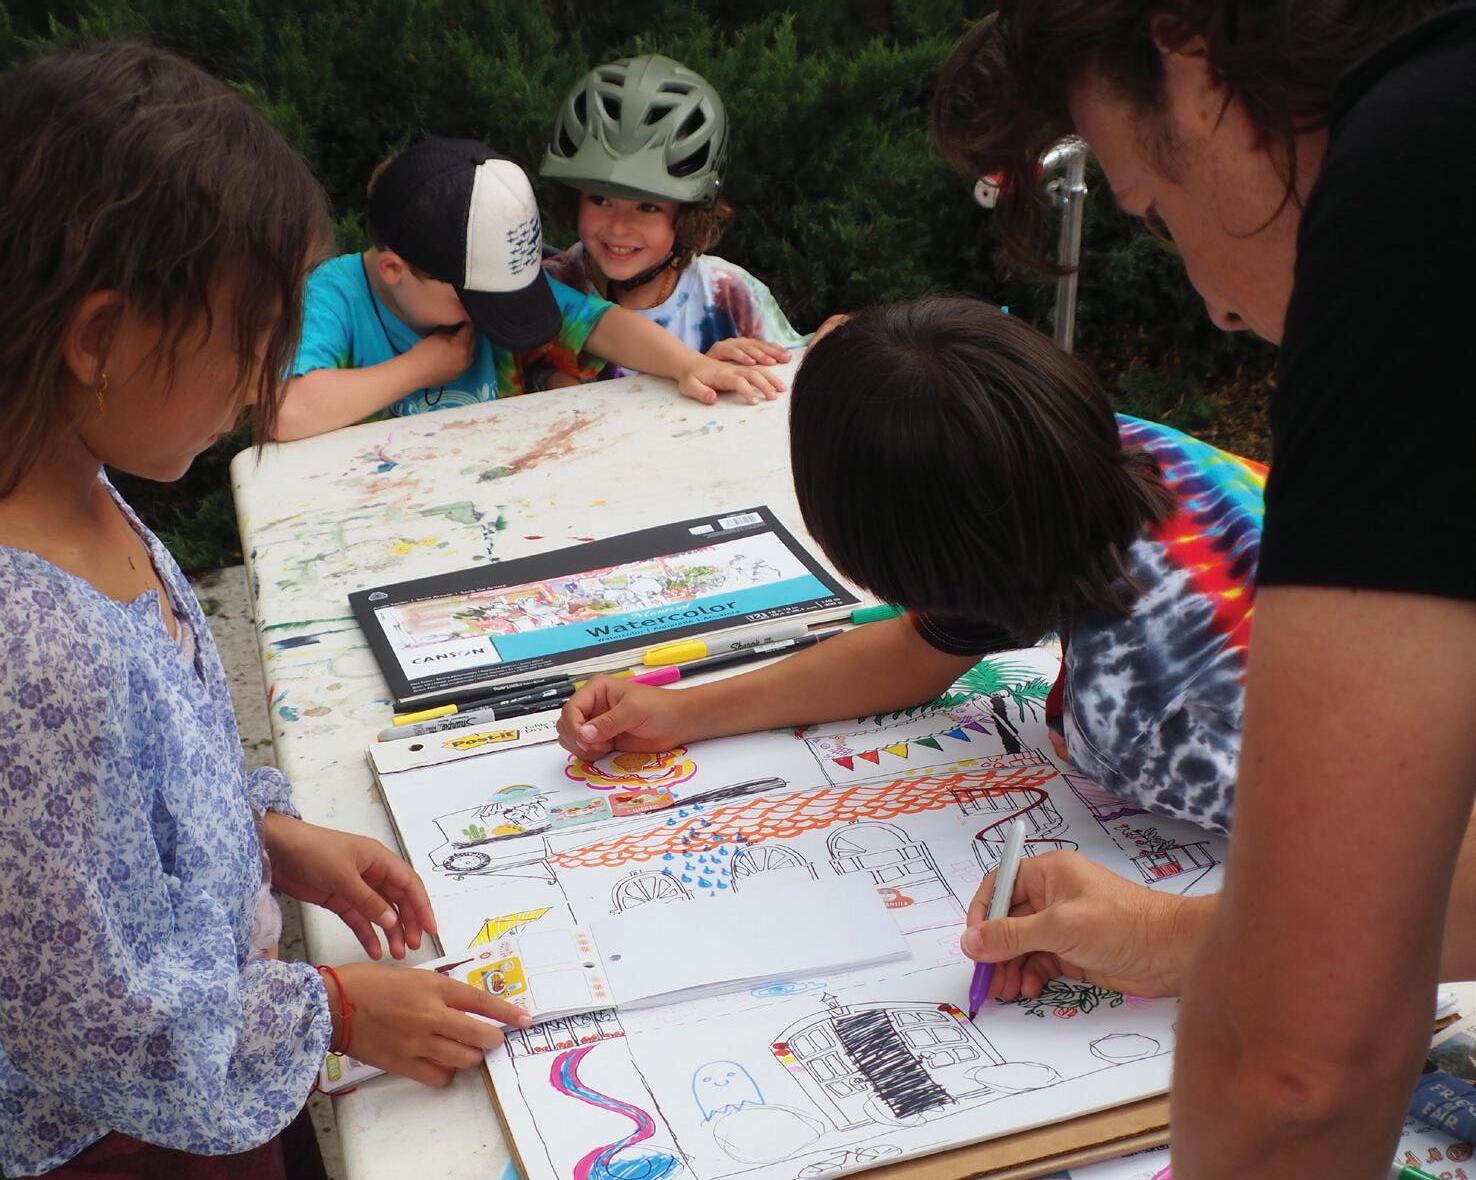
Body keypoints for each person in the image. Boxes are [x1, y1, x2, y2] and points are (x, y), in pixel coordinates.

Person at [931, 3, 1476, 1175]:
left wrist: (1249, 972)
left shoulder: (1418, 184)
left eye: (1154, 209)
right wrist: (1175, 932)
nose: (1215, 303)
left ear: (1190, 60)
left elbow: (1299, 1067)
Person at [0, 44, 530, 1178]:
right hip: (137, 1138)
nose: (258, 386)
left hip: (221, 1053)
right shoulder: (30, 648)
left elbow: (132, 808)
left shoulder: (81, 488)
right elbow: (83, 1019)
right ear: (97, 339)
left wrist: (266, 836)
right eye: (247, 344)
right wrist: (334, 1008)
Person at [557, 295, 1265, 840]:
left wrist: (1143, 927)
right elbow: (915, 653)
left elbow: (1329, 893)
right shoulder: (1081, 458)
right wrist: (681, 711)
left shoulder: (1142, 717)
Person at [275, 136, 782, 440]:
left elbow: (601, 324)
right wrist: (421, 368)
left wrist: (688, 365)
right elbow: (283, 413)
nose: (489, 315)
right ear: (393, 268)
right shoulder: (334, 295)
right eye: (476, 300)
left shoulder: (483, 276)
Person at [540, 53, 823, 376]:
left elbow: (799, 377)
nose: (619, 227)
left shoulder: (727, 293)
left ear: (689, 214)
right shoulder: (544, 293)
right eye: (600, 200)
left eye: (647, 207)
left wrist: (837, 333)